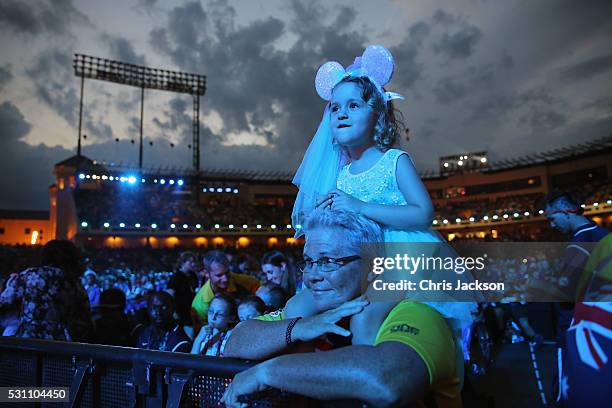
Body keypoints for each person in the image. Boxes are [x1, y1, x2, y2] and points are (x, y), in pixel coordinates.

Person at [290, 45, 477, 338]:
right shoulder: (340, 174)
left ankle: (369, 377)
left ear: (377, 115)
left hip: (402, 259)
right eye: (335, 107)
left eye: (353, 105)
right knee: (297, 307)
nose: (341, 114)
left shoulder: (394, 161)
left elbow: (423, 214)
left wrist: (359, 206)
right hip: (359, 261)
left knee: (364, 319)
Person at [223, 208, 462, 407]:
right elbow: (236, 342)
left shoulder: (419, 313)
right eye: (309, 261)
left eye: (328, 261)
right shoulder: (311, 312)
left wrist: (268, 373)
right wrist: (298, 327)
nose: (312, 276)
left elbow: (387, 381)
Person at [0, 240, 93, 341]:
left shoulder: (30, 275)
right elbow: (84, 319)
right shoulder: (74, 282)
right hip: (59, 343)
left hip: (28, 339)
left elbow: (4, 301)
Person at [191, 251, 260, 330]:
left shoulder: (239, 280)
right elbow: (203, 330)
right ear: (206, 273)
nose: (225, 279)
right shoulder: (200, 303)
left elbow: (260, 287)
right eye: (219, 275)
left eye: (227, 273)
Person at [167, 251, 199, 327]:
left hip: (192, 310)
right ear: (183, 262)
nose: (193, 264)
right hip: (180, 312)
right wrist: (174, 313)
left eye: (194, 262)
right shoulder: (176, 277)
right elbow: (170, 296)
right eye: (190, 262)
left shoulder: (193, 276)